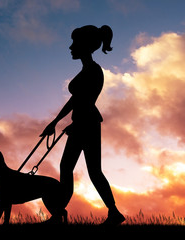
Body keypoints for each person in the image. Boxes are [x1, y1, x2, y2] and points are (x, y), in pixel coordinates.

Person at [40, 25, 125, 225]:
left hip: (86, 123)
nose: (70, 47)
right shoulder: (88, 70)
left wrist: (76, 123)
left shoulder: (93, 71)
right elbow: (75, 101)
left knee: (75, 168)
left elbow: (86, 101)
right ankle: (112, 212)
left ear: (85, 45)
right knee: (87, 169)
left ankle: (59, 215)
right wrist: (55, 122)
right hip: (85, 123)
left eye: (74, 43)